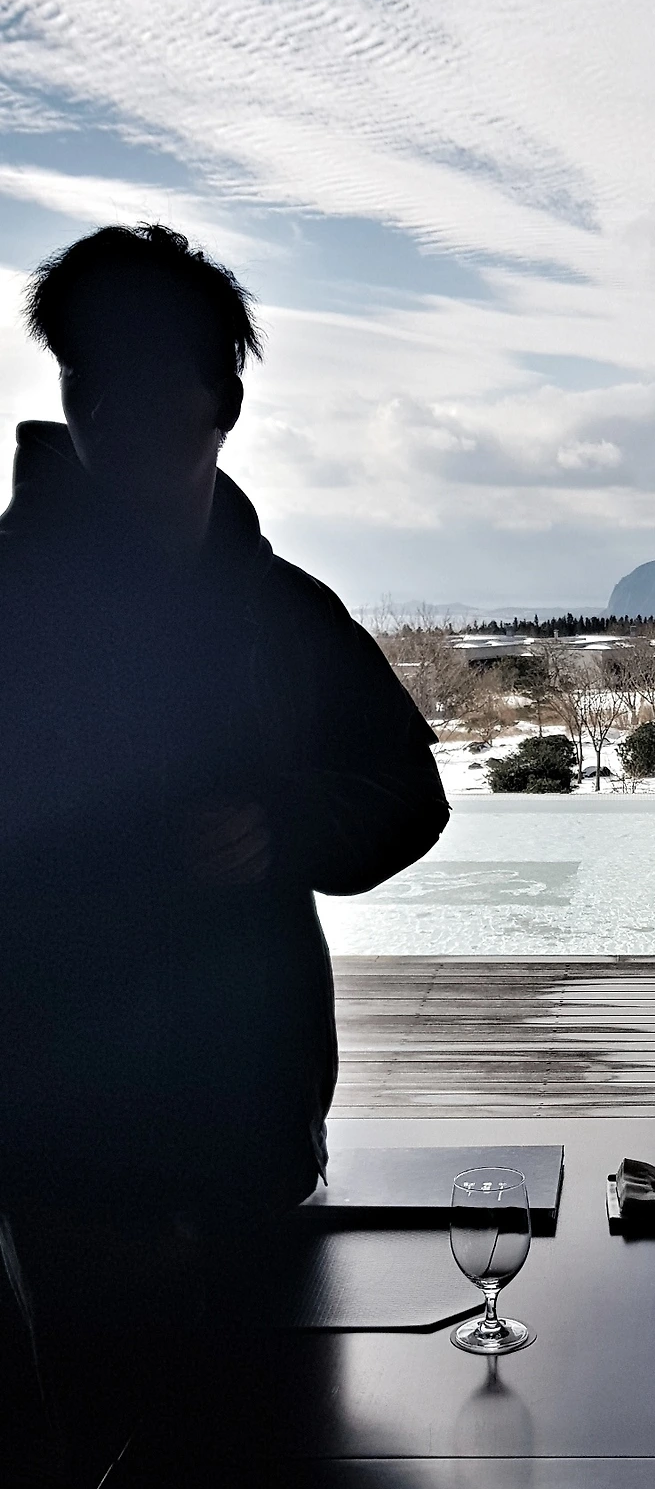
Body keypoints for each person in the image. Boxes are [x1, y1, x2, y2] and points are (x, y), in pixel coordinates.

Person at [0, 221, 450, 1244]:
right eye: (84, 373)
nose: (106, 408)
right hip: (43, 1154)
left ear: (225, 403)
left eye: (145, 377)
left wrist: (282, 826)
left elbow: (407, 793)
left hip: (251, 1137)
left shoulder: (286, 611)